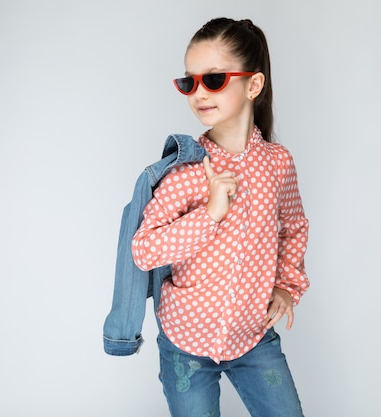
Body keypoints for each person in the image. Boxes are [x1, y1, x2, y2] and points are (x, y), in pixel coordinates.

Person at [131, 17, 309, 417]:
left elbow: (294, 228)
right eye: (188, 82)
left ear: (253, 85)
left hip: (253, 338)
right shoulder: (187, 170)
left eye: (212, 80)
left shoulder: (278, 164)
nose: (197, 93)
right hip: (186, 345)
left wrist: (287, 286)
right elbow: (143, 251)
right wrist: (210, 214)